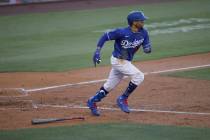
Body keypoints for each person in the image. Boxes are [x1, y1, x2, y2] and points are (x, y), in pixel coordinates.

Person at [87, 11, 152, 116]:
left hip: (126, 61)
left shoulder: (143, 33)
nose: (143, 21)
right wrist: (97, 51)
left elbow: (147, 47)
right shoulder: (121, 32)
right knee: (139, 76)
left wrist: (147, 49)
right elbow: (105, 36)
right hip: (118, 60)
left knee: (109, 86)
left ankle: (92, 101)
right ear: (134, 22)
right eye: (141, 20)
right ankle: (123, 98)